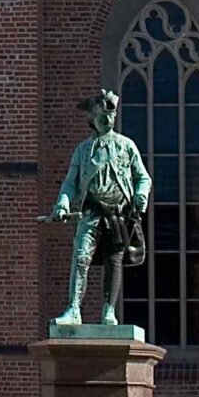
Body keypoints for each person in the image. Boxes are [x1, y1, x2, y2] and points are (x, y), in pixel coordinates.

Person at [45, 86, 152, 330]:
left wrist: (140, 196)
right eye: (102, 116)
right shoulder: (83, 151)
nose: (108, 119)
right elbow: (70, 182)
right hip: (91, 212)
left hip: (118, 214)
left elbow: (143, 177)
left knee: (114, 261)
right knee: (81, 256)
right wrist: (62, 203)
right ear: (92, 119)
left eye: (111, 116)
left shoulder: (126, 146)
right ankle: (74, 308)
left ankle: (109, 310)